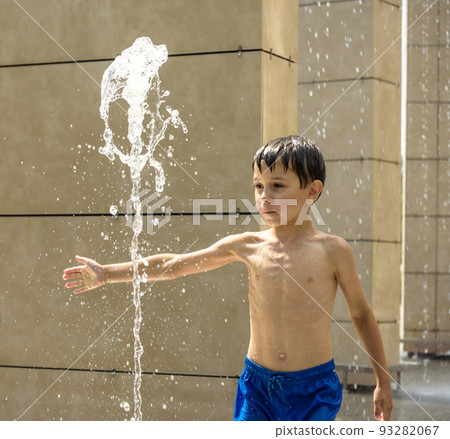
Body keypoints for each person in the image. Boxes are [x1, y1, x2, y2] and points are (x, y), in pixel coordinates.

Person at [63, 135, 393, 421]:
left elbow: (361, 315)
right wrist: (107, 273)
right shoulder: (247, 246)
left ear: (312, 190)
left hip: (314, 389)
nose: (265, 197)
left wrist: (382, 381)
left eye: (277, 186)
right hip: (258, 386)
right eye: (259, 187)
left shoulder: (333, 251)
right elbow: (175, 265)